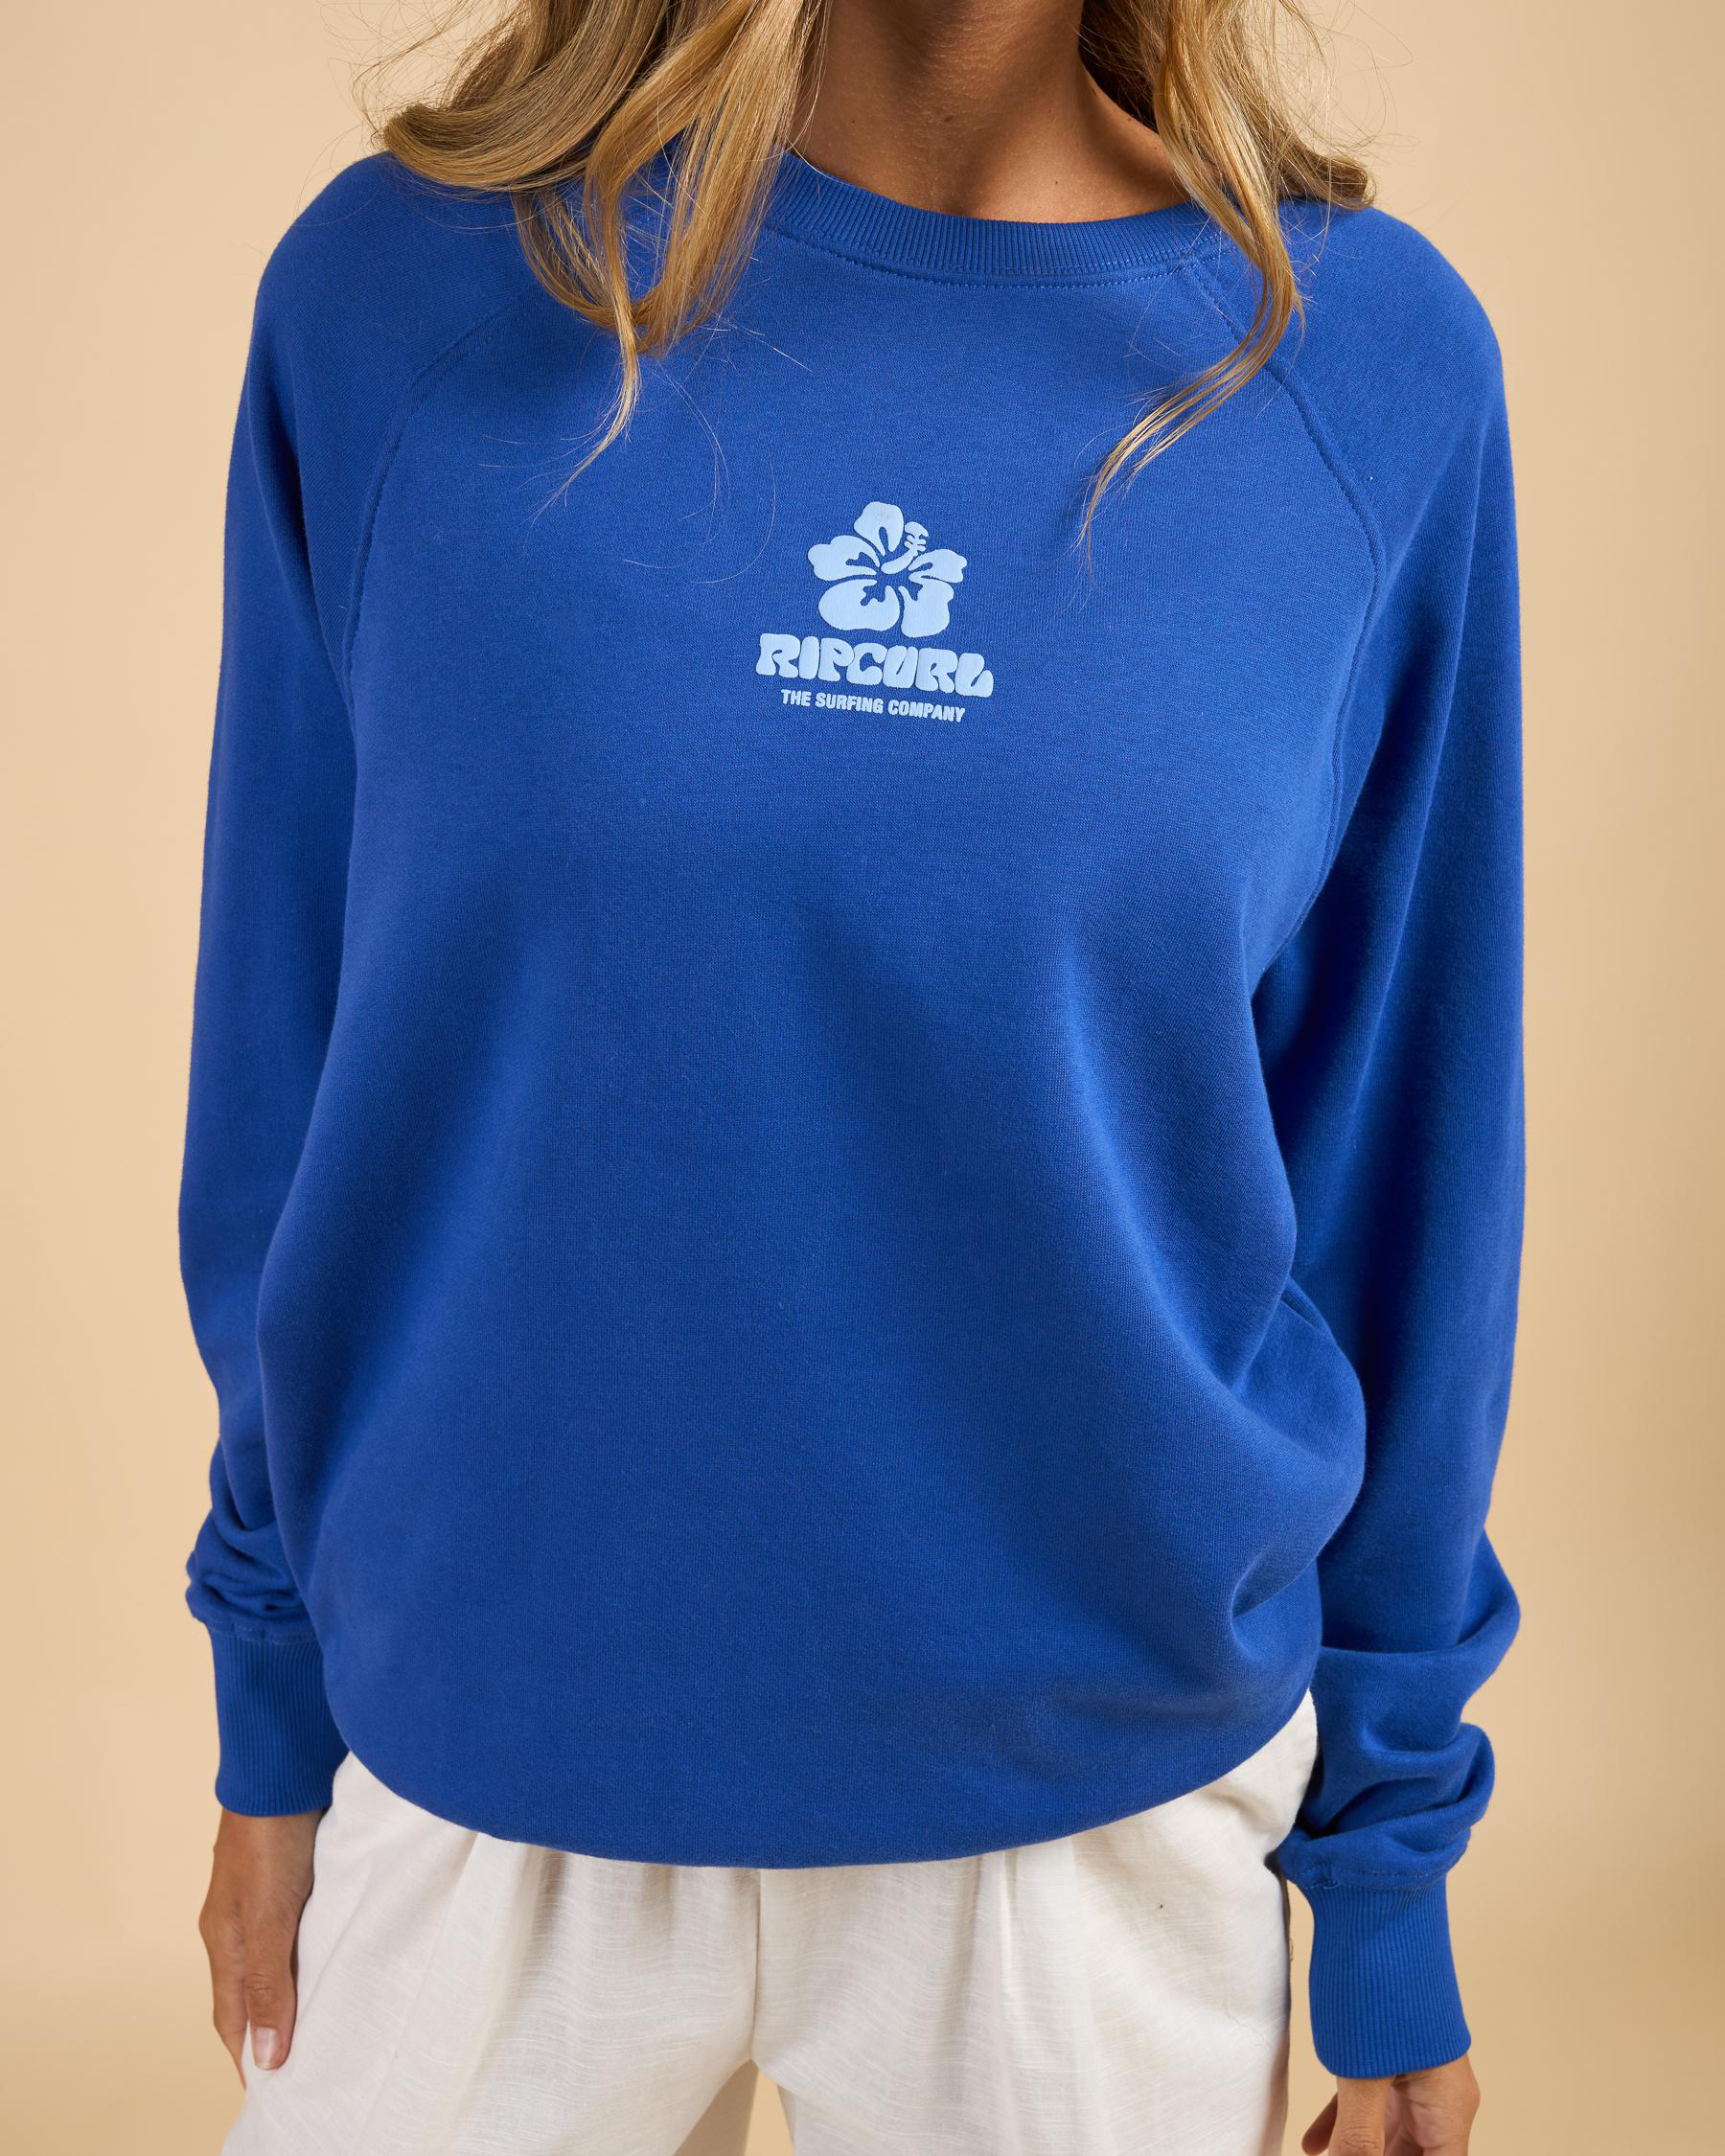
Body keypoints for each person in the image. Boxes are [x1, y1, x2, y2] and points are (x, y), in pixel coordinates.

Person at [182, 3, 1523, 2151]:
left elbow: (1405, 1163)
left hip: (1089, 1814)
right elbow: (289, 1047)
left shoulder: (1359, 374)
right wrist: (269, 1710)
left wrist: (1387, 1883)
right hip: (487, 1730)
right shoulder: (404, 298)